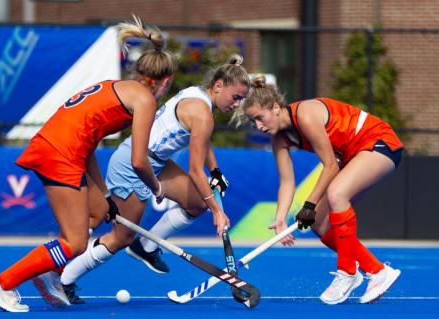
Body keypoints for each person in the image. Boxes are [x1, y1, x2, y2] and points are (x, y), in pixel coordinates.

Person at [0, 15, 175, 312]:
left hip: (64, 148)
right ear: (166, 81)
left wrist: (105, 195)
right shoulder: (145, 100)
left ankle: (50, 274)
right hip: (61, 153)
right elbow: (138, 161)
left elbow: (90, 144)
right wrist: (157, 186)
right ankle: (2, 283)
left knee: (96, 214)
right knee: (76, 242)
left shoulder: (114, 86)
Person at [37, 54, 250, 305]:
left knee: (196, 203)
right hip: (133, 165)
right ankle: (65, 280)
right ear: (218, 86)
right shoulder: (203, 113)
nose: (237, 104)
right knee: (121, 237)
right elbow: (194, 169)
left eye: (241, 100)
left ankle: (146, 246)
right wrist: (217, 211)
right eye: (236, 97)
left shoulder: (197, 96)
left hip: (156, 161)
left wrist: (215, 172)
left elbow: (202, 142)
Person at [234, 75, 403, 305]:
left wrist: (309, 204)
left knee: (337, 194)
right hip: (354, 155)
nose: (258, 126)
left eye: (259, 118)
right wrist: (281, 217)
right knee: (319, 223)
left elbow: (330, 165)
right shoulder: (279, 140)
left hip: (378, 142)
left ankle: (347, 272)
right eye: (253, 122)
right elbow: (287, 182)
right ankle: (377, 270)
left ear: (275, 107)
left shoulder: (305, 115)